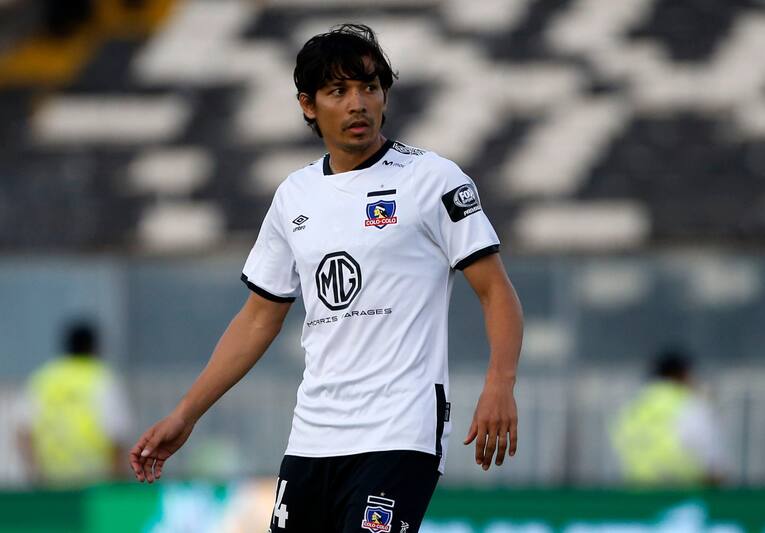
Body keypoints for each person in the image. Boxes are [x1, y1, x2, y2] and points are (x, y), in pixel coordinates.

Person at [130, 24, 523, 532]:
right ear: (308, 105)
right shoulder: (294, 196)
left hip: (400, 431)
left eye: (369, 87)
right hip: (313, 436)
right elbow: (257, 320)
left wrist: (500, 383)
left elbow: (495, 291)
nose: (358, 104)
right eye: (338, 91)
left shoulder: (432, 180)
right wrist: (186, 413)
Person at [17, 321, 133, 486]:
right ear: (94, 347)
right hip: (94, 483)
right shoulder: (102, 378)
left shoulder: (45, 378)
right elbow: (117, 436)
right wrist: (117, 483)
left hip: (52, 483)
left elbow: (23, 431)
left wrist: (35, 474)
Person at [612, 347, 727, 486]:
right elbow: (708, 454)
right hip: (683, 491)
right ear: (682, 374)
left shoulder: (635, 406)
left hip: (637, 491)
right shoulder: (687, 403)